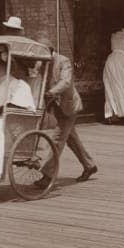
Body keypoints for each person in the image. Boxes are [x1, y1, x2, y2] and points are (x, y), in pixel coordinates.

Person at [35, 35, 98, 186]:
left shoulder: (63, 61)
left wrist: (51, 92)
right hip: (56, 106)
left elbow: (66, 81)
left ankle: (48, 176)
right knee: (70, 138)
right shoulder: (43, 63)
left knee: (57, 139)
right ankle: (90, 166)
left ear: (50, 51)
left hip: (69, 106)